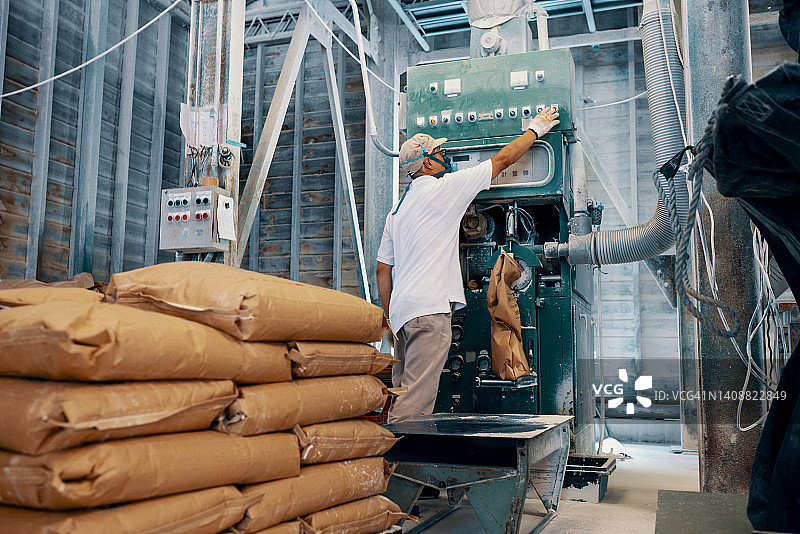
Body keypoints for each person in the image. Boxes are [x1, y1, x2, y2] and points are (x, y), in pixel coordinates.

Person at [376, 106, 561, 423]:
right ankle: (396, 465)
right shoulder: (444, 188)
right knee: (414, 408)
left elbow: (383, 270)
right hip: (429, 311)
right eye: (439, 151)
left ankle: (392, 461)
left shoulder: (396, 211)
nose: (445, 155)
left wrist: (391, 317)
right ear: (427, 162)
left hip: (402, 316)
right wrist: (535, 130)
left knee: (402, 392)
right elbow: (501, 161)